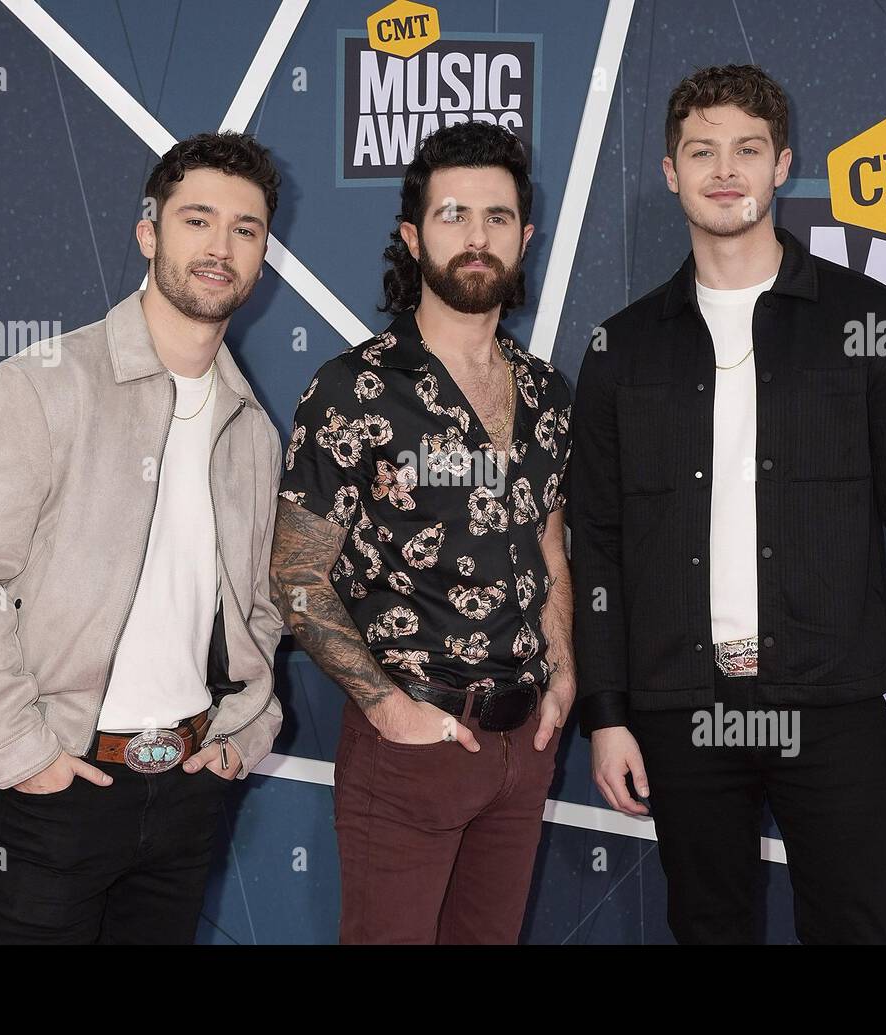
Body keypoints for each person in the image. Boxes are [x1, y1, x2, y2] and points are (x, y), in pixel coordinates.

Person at [568, 65, 886, 944]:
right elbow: (593, 544)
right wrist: (607, 713)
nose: (725, 170)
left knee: (855, 927)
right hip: (682, 706)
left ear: (782, 163)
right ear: (669, 172)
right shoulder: (621, 347)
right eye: (700, 151)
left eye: (746, 149)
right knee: (709, 928)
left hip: (833, 703)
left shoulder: (870, 320)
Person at [0, 131, 285, 944]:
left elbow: (262, 607)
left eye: (245, 228)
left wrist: (246, 732)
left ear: (262, 255)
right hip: (58, 790)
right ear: (148, 232)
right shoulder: (45, 384)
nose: (219, 247)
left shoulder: (253, 430)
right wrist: (24, 749)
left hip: (190, 787)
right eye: (197, 220)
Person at [270, 121, 573, 944]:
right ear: (412, 235)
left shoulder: (548, 392)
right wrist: (387, 708)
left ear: (525, 236)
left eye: (498, 218)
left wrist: (564, 673)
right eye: (452, 215)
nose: (477, 237)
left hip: (524, 746)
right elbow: (296, 575)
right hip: (410, 745)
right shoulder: (352, 389)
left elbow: (548, 535)